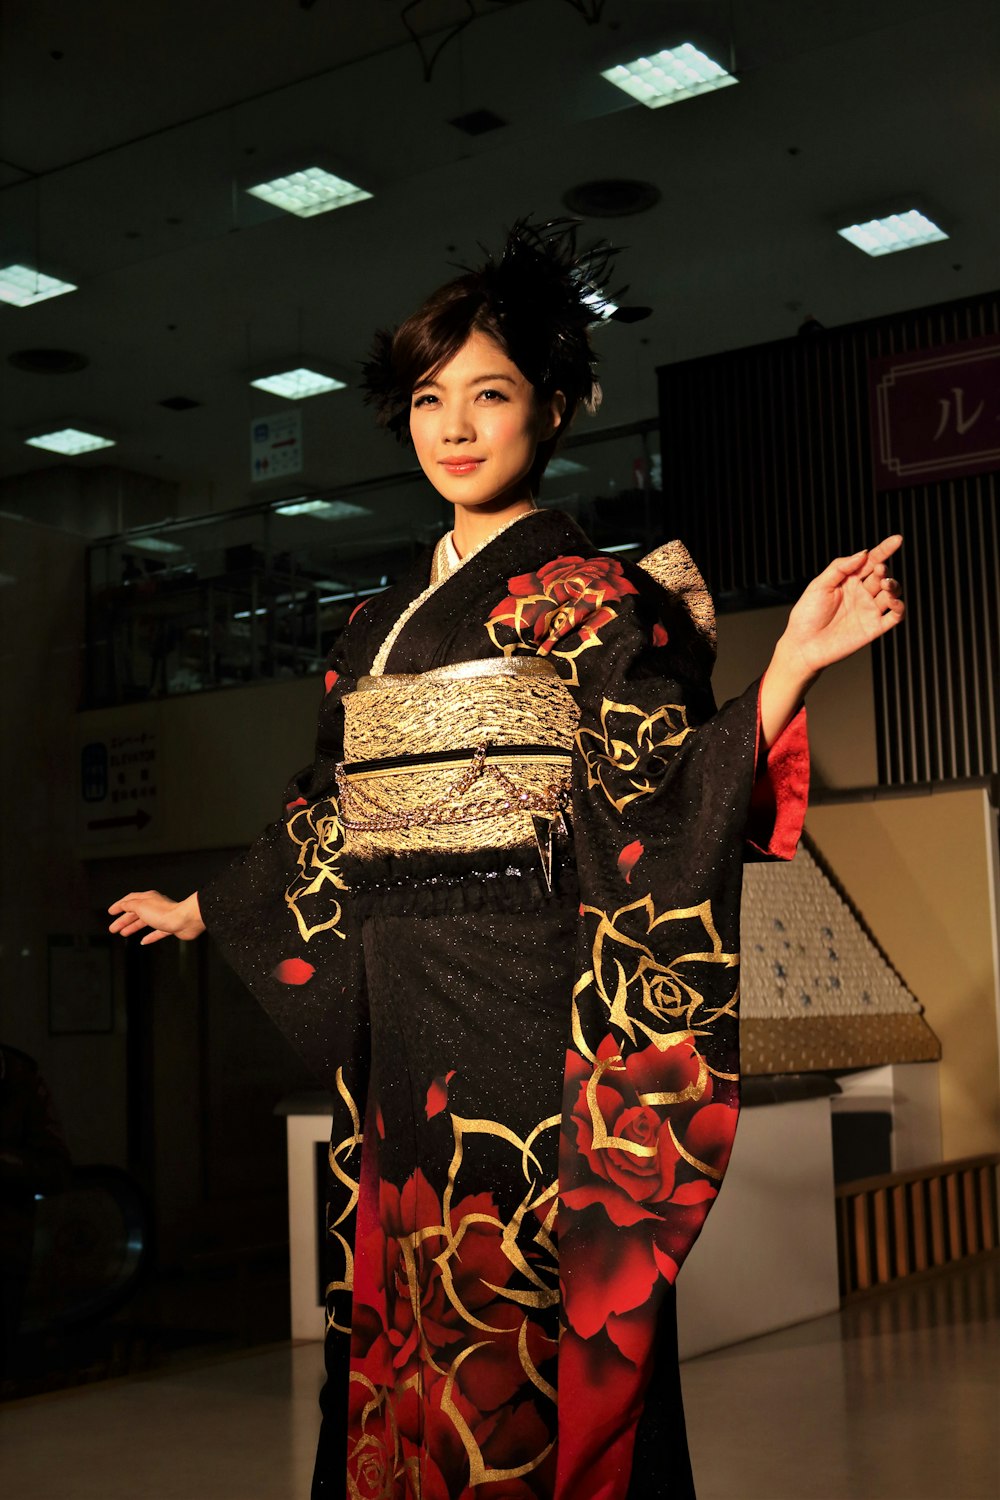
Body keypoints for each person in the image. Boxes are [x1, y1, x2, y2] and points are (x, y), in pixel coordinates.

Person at [109, 221, 904, 1499]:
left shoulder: (594, 593)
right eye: (431, 400)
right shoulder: (372, 624)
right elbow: (332, 807)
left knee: (526, 1318)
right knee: (401, 1315)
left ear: (556, 404)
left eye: (490, 394)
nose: (456, 428)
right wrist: (211, 902)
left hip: (533, 1006)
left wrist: (794, 664)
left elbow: (653, 797)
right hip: (401, 1012)